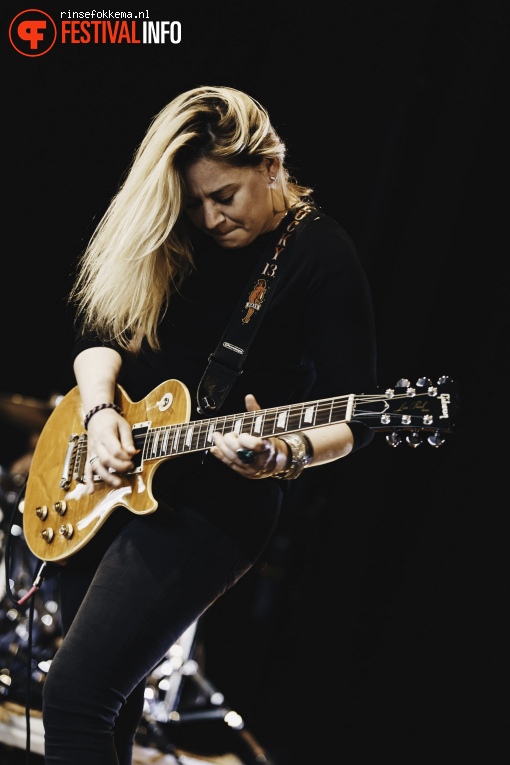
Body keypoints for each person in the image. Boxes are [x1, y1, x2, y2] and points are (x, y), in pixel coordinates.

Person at [41, 85, 378, 764]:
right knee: (107, 710)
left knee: (75, 698)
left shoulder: (321, 255)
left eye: (224, 195)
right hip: (111, 481)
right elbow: (99, 328)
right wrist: (103, 409)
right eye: (194, 202)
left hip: (214, 506)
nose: (210, 216)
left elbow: (357, 414)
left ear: (272, 165)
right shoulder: (182, 234)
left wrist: (281, 452)